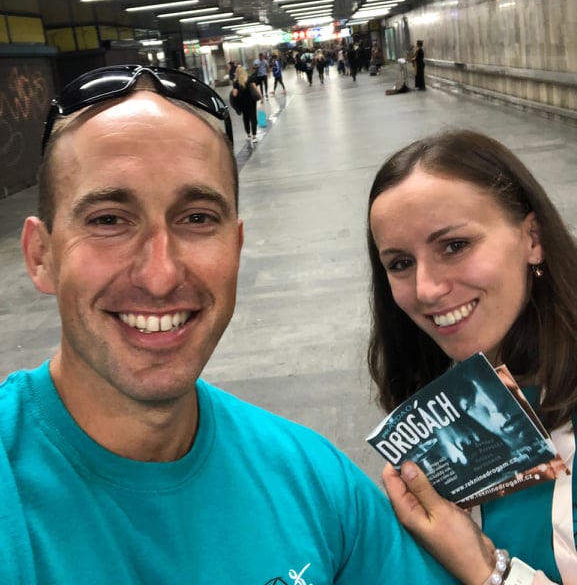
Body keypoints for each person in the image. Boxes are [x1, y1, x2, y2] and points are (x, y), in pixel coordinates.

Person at [2, 64, 479, 584]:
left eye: (197, 218)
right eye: (109, 220)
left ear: (236, 245)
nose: (160, 276)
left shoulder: (314, 486)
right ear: (41, 255)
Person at [366, 128, 577, 584]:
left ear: (533, 238)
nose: (427, 289)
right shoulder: (437, 412)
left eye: (454, 246)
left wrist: (488, 571)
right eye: (400, 263)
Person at [231, 64, 260, 143]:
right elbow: (255, 88)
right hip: (252, 102)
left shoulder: (236, 82)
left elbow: (234, 94)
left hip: (242, 103)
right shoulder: (249, 79)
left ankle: (248, 135)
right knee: (253, 118)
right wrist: (260, 97)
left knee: (246, 118)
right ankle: (254, 136)